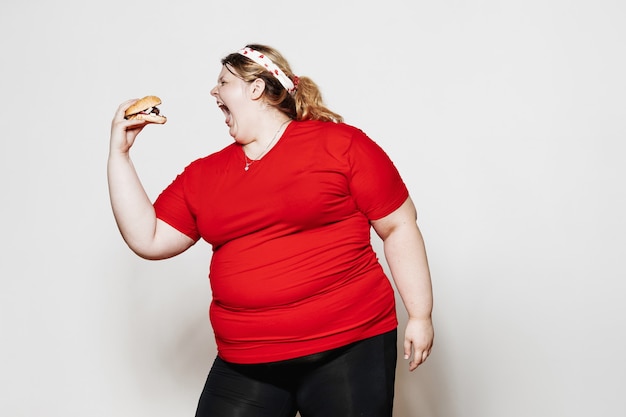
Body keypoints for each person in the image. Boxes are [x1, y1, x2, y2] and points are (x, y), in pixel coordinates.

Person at [108, 43, 434, 417]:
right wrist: (120, 153)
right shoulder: (203, 175)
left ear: (256, 88)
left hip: (349, 345)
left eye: (223, 82)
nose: (213, 92)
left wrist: (421, 314)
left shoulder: (340, 145)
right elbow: (148, 238)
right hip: (246, 357)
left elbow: (398, 225)